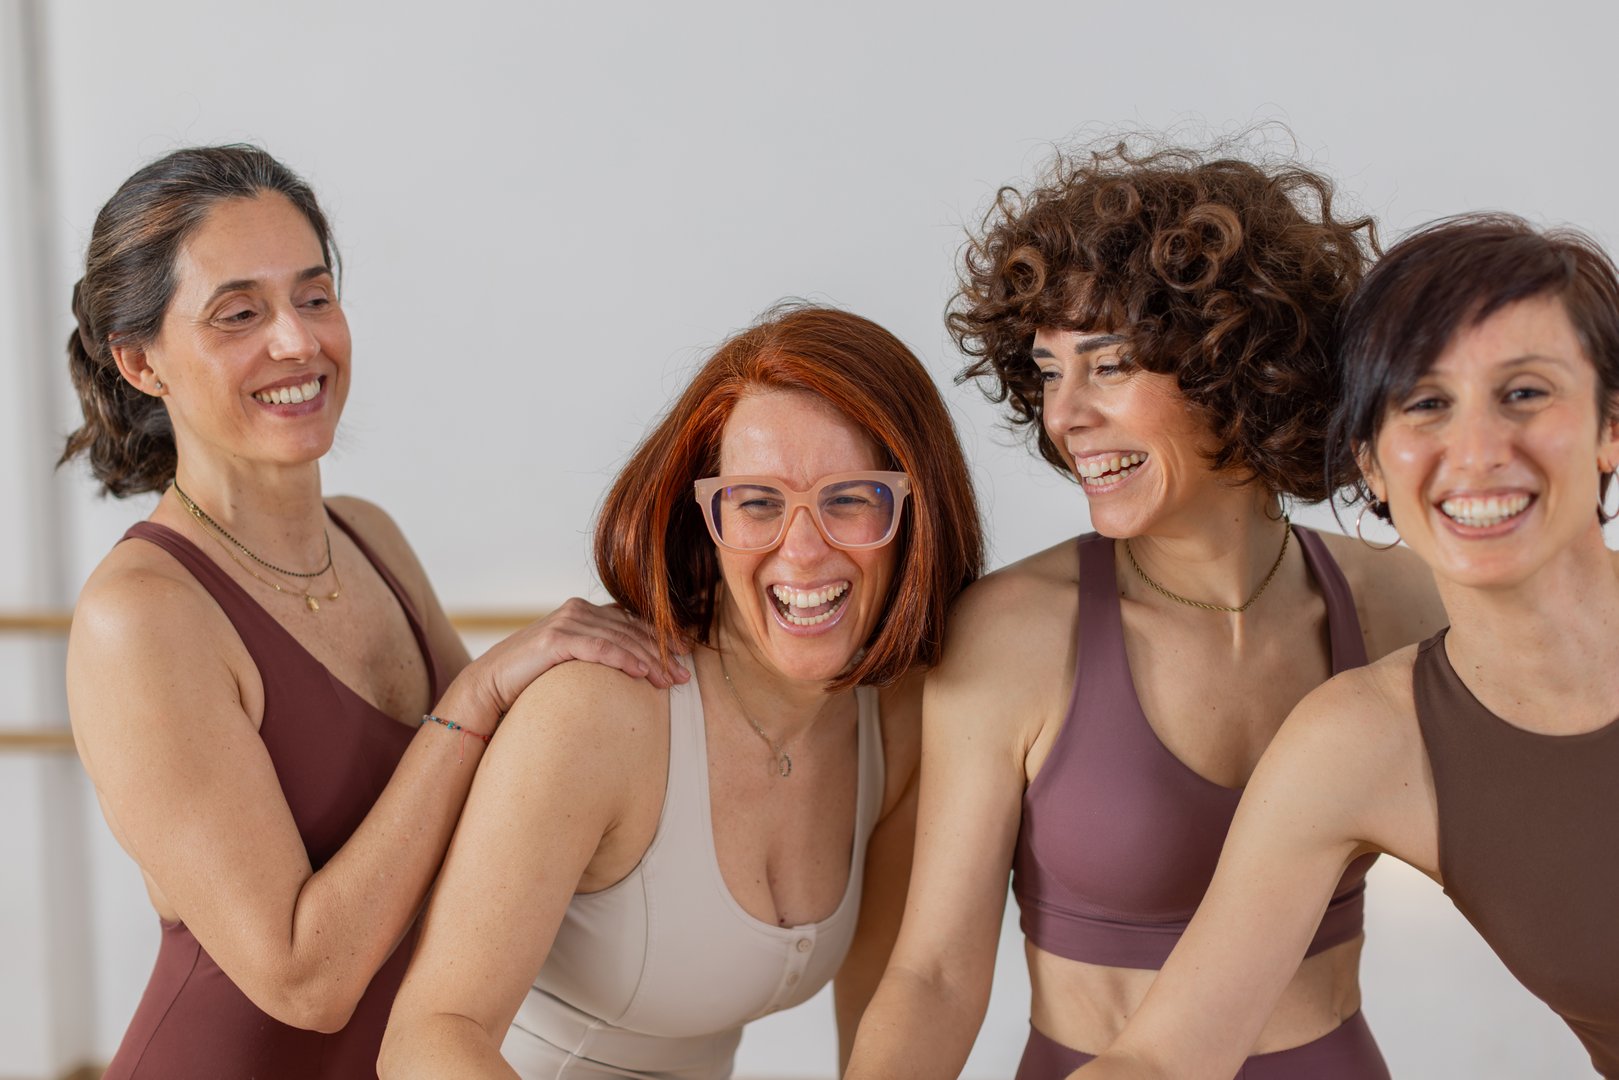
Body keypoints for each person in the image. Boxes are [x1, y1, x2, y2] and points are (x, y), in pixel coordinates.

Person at [62, 145, 680, 1079]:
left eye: (314, 297)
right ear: (142, 362)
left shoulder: (370, 537)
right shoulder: (141, 617)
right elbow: (306, 980)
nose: (297, 341)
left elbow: (496, 810)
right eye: (239, 313)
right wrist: (476, 695)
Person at [844, 140, 1447, 1079]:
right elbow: (933, 977)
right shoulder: (1014, 633)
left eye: (1109, 365)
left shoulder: (1401, 598)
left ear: (1234, 365)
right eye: (1048, 371)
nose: (1064, 415)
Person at [1074, 213, 1619, 1078]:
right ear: (1369, 463)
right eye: (1425, 404)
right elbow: (1164, 1059)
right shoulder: (1364, 740)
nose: (1476, 451)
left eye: (1524, 393)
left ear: (1608, 426)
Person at [377, 304, 984, 1078]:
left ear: (914, 513)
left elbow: (885, 1013)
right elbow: (427, 1038)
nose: (802, 550)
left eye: (848, 498)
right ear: (705, 521)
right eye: (756, 503)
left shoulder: (899, 719)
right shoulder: (596, 715)